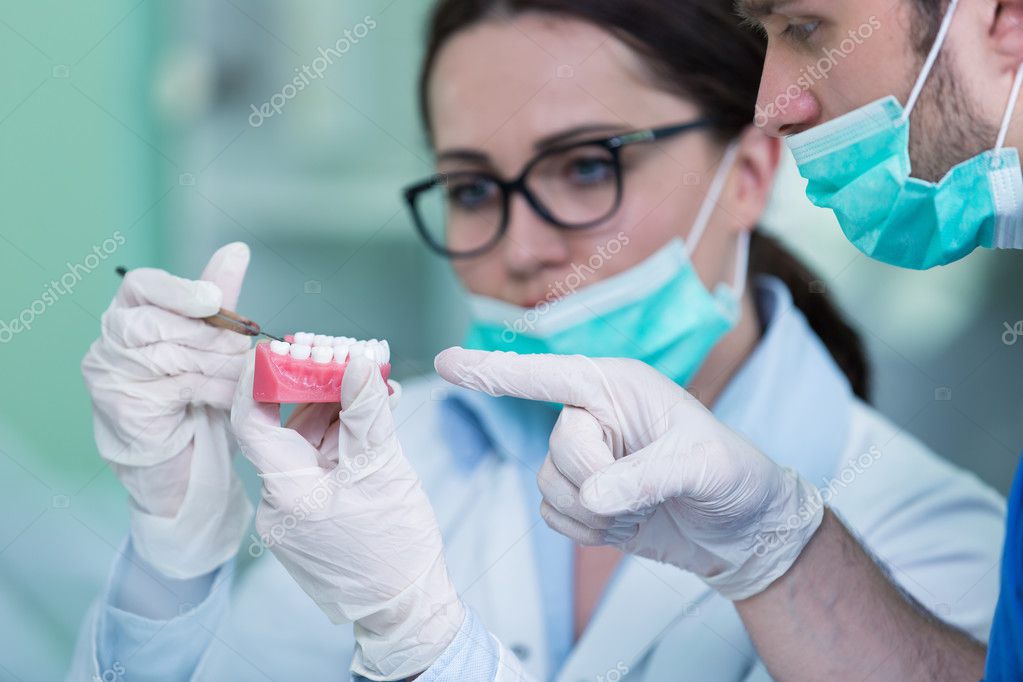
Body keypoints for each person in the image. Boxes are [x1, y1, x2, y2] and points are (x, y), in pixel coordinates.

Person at [66, 1, 1006, 680]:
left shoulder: (931, 549)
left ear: (752, 172)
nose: (520, 250)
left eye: (586, 167)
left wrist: (421, 644)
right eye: (472, 191)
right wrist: (174, 564)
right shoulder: (385, 472)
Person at [438, 0, 1023, 679]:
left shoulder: (937, 528)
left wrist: (425, 647)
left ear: (1004, 17)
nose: (769, 105)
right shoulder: (397, 446)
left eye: (804, 28)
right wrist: (776, 550)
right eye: (471, 188)